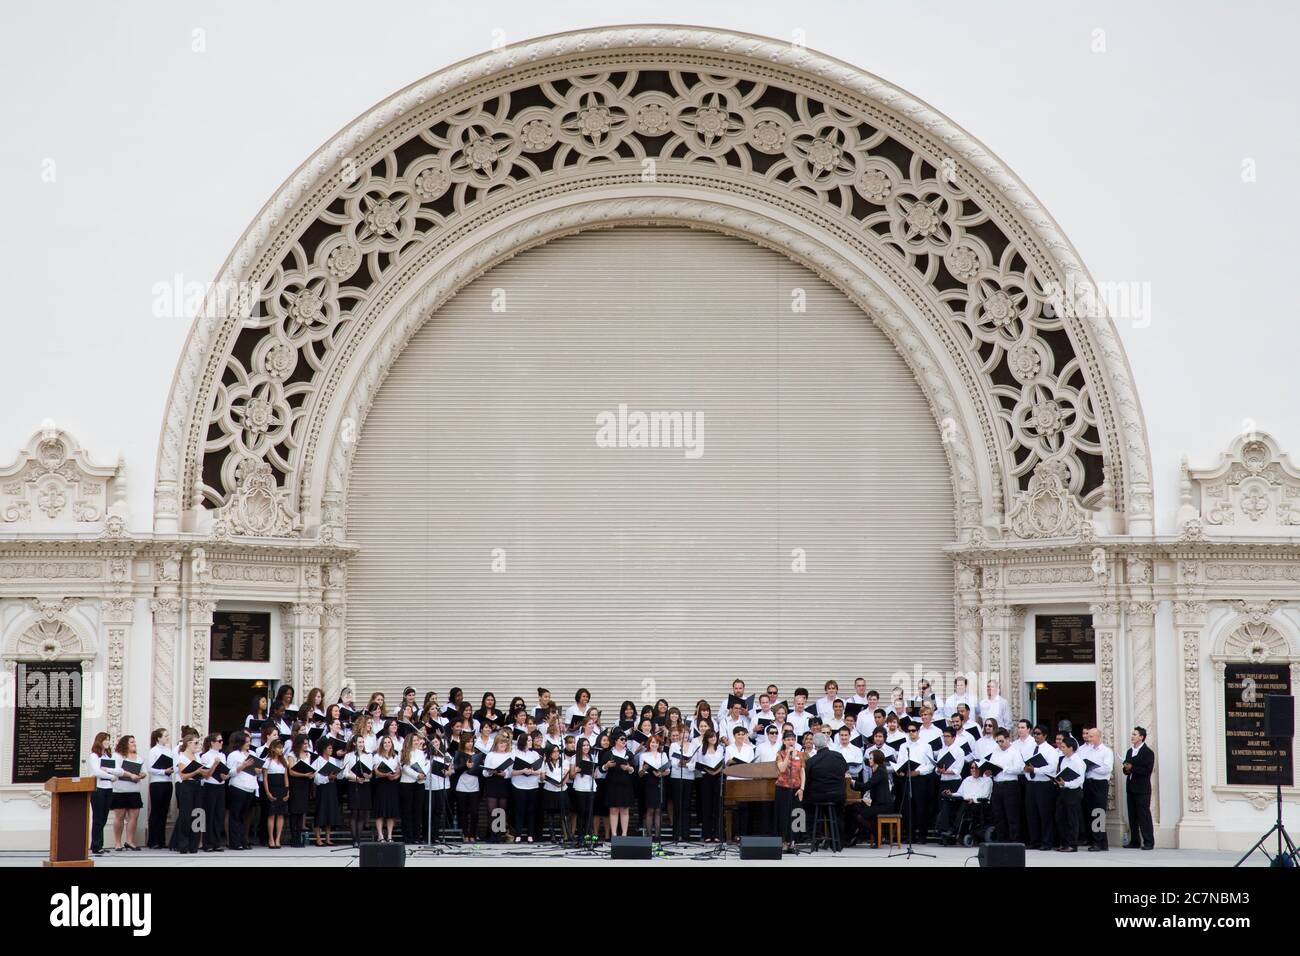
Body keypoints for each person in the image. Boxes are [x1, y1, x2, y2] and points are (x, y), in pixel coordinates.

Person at [803, 732, 848, 850]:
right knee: (838, 814)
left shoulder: (812, 761)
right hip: (838, 795)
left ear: (814, 745)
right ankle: (838, 843)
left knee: (808, 806)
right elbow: (844, 770)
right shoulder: (838, 756)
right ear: (827, 742)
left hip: (819, 796)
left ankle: (815, 837)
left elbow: (807, 780)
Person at [1023, 724, 1061, 851]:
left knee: (1045, 814)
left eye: (1038, 734)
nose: (1036, 736)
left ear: (1045, 735)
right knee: (1031, 813)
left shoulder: (1050, 750)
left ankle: (1047, 841)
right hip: (1031, 784)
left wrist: (1035, 769)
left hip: (1044, 785)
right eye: (1034, 734)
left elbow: (1051, 768)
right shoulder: (1030, 748)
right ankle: (1035, 840)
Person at [1077, 725, 1114, 851]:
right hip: (1089, 783)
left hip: (1100, 784)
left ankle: (1099, 842)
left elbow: (1107, 769)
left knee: (1098, 812)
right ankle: (1096, 841)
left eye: (1091, 736)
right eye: (1088, 735)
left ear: (1098, 737)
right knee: (1089, 812)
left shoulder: (1106, 751)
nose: (1088, 738)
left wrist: (1093, 767)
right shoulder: (1088, 750)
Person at [847, 749, 894, 847]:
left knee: (861, 815)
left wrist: (852, 782)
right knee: (854, 808)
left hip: (884, 805)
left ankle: (877, 836)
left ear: (876, 759)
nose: (869, 760)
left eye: (871, 758)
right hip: (877, 803)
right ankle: (853, 836)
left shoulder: (880, 771)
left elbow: (867, 785)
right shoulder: (876, 770)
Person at [86, 731, 121, 855]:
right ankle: (96, 845)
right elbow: (96, 772)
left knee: (104, 817)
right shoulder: (94, 756)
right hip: (98, 789)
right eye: (105, 740)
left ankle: (99, 844)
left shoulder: (108, 756)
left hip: (108, 788)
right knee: (98, 817)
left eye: (108, 740)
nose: (107, 742)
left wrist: (109, 771)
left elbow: (119, 770)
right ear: (99, 741)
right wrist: (111, 776)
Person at [173, 735, 208, 853]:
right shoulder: (182, 757)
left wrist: (208, 769)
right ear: (188, 743)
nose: (197, 745)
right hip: (187, 786)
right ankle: (183, 844)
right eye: (196, 743)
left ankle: (194, 845)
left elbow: (204, 774)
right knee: (186, 815)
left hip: (198, 786)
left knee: (198, 814)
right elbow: (183, 776)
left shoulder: (197, 757)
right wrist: (197, 771)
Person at [988, 728, 1025, 842]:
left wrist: (1004, 768)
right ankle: (1001, 839)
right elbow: (992, 765)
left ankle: (1014, 840)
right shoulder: (996, 751)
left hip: (1010, 785)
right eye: (998, 741)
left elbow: (1020, 769)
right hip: (997, 785)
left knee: (1011, 814)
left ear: (1008, 739)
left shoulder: (1015, 752)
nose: (1000, 744)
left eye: (1002, 741)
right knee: (998, 814)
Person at [109, 735, 145, 851]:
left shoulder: (139, 757)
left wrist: (141, 775)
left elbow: (143, 771)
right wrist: (130, 774)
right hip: (120, 790)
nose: (134, 744)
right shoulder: (117, 756)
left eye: (134, 742)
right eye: (131, 742)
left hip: (134, 790)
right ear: (125, 744)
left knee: (134, 817)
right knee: (119, 816)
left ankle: (130, 841)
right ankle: (118, 842)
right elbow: (116, 770)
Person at [1122, 727, 1155, 850]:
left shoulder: (1148, 752)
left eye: (1135, 734)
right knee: (1132, 815)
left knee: (1143, 815)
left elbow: (1147, 770)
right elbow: (1126, 771)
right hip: (1130, 787)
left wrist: (1132, 767)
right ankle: (1135, 841)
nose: (1132, 736)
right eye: (1132, 734)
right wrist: (1126, 768)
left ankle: (1148, 841)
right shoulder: (1129, 751)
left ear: (1141, 737)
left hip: (1142, 789)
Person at [225, 730, 259, 850]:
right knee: (235, 816)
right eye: (247, 742)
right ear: (240, 743)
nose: (249, 744)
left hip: (250, 787)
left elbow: (257, 770)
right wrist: (243, 766)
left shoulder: (253, 753)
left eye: (249, 741)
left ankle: (243, 840)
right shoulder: (233, 755)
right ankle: (235, 842)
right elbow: (229, 772)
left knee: (245, 816)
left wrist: (257, 770)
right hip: (238, 787)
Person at [774, 729, 805, 852]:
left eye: (792, 739)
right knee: (783, 815)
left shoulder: (801, 754)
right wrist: (788, 755)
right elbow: (781, 769)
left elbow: (802, 772)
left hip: (796, 788)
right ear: (783, 741)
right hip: (783, 788)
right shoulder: (780, 753)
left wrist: (802, 788)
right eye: (788, 739)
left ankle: (793, 841)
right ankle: (784, 841)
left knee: (797, 814)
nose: (790, 741)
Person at [601, 730, 636, 838]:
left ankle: (624, 834)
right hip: (612, 783)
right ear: (615, 740)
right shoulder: (609, 753)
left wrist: (629, 768)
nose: (624, 741)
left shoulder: (629, 754)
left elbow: (633, 769)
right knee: (614, 809)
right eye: (622, 739)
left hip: (626, 784)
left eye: (625, 739)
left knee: (625, 809)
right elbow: (601, 769)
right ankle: (614, 834)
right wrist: (606, 765)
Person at [1054, 735, 1086, 852]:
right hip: (1063, 791)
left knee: (1072, 818)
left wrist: (1065, 783)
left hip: (1073, 792)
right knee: (1060, 817)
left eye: (1063, 747)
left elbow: (1079, 781)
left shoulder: (1078, 762)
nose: (1061, 749)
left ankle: (1073, 844)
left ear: (1071, 748)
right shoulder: (1064, 759)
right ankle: (1064, 843)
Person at [145, 728, 175, 848]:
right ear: (158, 738)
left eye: (168, 736)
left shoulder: (169, 750)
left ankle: (161, 840)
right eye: (165, 736)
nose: (167, 738)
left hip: (167, 782)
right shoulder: (153, 751)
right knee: (156, 811)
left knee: (164, 811)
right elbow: (150, 768)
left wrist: (171, 769)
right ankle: (153, 841)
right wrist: (164, 771)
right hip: (157, 783)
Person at [637, 733, 669, 840]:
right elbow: (640, 774)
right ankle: (649, 835)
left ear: (659, 744)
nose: (654, 744)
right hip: (649, 782)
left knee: (658, 810)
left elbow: (667, 771)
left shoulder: (663, 755)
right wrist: (644, 768)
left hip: (659, 781)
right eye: (652, 742)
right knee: (650, 809)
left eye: (656, 742)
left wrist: (661, 773)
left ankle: (658, 836)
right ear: (649, 744)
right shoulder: (644, 755)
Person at [695, 730, 725, 843]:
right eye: (711, 737)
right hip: (706, 778)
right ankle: (707, 834)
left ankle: (717, 834)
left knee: (717, 806)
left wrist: (716, 771)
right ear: (707, 738)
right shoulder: (702, 749)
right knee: (706, 806)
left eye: (714, 737)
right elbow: (699, 763)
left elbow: (723, 763)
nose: (713, 739)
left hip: (717, 777)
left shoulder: (721, 748)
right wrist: (709, 770)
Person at [311, 737, 343, 846]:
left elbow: (338, 774)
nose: (331, 750)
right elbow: (315, 778)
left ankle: (328, 838)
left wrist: (336, 775)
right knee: (321, 812)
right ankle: (318, 838)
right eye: (329, 748)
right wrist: (327, 778)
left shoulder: (333, 760)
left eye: (331, 748)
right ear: (323, 749)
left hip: (332, 788)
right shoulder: (318, 761)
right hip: (322, 789)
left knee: (330, 812)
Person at [371, 735, 402, 842]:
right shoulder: (377, 756)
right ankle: (380, 835)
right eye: (385, 743)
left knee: (391, 812)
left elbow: (398, 769)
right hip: (381, 784)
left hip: (392, 784)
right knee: (380, 811)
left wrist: (395, 776)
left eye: (389, 742)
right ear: (381, 745)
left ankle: (389, 835)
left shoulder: (395, 756)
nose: (387, 744)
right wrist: (386, 775)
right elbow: (376, 771)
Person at [261, 738, 290, 848]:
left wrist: (287, 791)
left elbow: (286, 777)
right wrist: (267, 792)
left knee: (281, 814)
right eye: (278, 747)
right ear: (273, 748)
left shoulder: (284, 761)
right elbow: (265, 778)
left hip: (282, 788)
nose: (281, 750)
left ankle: (278, 838)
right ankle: (271, 838)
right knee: (271, 814)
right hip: (272, 788)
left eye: (282, 748)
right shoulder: (267, 761)